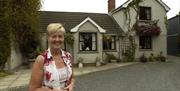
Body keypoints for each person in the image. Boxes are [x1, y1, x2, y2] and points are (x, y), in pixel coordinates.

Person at [29, 23, 75, 91]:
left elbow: (72, 78)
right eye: (54, 36)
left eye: (60, 36)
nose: (57, 39)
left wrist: (72, 84)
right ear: (48, 38)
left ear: (63, 38)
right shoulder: (41, 59)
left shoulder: (68, 56)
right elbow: (33, 89)